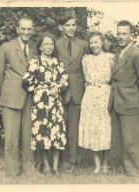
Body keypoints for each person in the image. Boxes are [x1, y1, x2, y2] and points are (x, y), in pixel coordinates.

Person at [0, 16, 37, 176]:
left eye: (29, 29)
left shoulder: (34, 49)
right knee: (11, 138)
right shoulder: (6, 47)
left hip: (29, 99)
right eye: (23, 29)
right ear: (17, 29)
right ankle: (12, 171)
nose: (26, 32)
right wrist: (8, 92)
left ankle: (29, 168)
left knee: (28, 136)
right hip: (11, 99)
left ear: (32, 30)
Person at [108, 20, 139, 176]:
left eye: (124, 33)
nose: (120, 37)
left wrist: (134, 92)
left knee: (131, 138)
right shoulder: (116, 52)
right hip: (116, 100)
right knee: (119, 137)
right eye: (118, 33)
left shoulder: (136, 53)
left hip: (130, 101)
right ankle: (123, 167)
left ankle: (135, 170)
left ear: (131, 35)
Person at [22, 32, 69, 175]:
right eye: (46, 44)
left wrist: (58, 87)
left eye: (51, 44)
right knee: (43, 133)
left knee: (56, 133)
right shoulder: (35, 62)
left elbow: (65, 79)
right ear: (41, 46)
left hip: (55, 103)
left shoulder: (57, 62)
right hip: (41, 104)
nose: (49, 47)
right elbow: (26, 81)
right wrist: (39, 89)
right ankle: (47, 167)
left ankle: (55, 167)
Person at [78, 31, 114, 174]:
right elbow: (85, 78)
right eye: (91, 42)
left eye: (96, 42)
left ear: (102, 42)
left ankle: (105, 163)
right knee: (93, 128)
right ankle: (97, 164)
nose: (94, 45)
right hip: (90, 95)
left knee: (104, 128)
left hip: (105, 94)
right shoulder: (86, 59)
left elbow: (113, 78)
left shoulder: (110, 58)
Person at [56, 11, 87, 171]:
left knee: (74, 129)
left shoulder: (83, 44)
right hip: (60, 92)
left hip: (77, 91)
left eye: (73, 25)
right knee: (61, 127)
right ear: (61, 27)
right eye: (67, 25)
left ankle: (74, 162)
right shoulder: (55, 44)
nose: (71, 28)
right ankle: (63, 161)